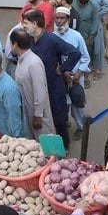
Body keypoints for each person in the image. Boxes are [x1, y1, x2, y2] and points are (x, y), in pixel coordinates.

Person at [23, 9, 81, 149]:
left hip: (54, 87)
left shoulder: (51, 39)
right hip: (39, 89)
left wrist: (62, 69)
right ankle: (49, 148)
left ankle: (63, 147)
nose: (23, 26)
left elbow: (75, 53)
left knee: (58, 119)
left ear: (35, 24)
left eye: (26, 23)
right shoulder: (30, 40)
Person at [53, 6, 91, 141]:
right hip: (60, 78)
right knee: (62, 105)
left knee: (77, 106)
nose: (59, 21)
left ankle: (81, 128)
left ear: (68, 19)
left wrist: (79, 73)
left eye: (62, 18)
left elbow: (85, 57)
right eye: (57, 18)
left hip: (75, 77)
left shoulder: (77, 36)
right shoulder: (52, 36)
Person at [10, 29, 56, 139]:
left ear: (15, 44)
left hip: (38, 116)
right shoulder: (22, 60)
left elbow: (40, 91)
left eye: (11, 43)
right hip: (27, 112)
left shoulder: (34, 63)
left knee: (47, 146)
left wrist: (38, 115)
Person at [79, 0, 108, 81]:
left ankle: (98, 69)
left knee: (97, 48)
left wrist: (99, 14)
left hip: (96, 24)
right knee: (85, 47)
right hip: (83, 26)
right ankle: (87, 68)